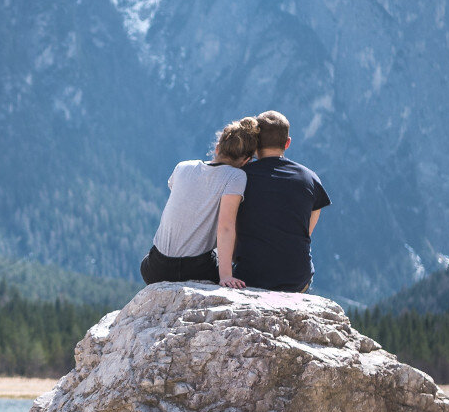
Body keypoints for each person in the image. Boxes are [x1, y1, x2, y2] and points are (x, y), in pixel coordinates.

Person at [140, 117, 259, 288]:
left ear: (217, 148)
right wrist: (226, 275)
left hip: (155, 268)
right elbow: (225, 226)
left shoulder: (182, 167)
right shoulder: (236, 177)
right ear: (246, 161)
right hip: (196, 269)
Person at [232, 110, 330, 292]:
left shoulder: (239, 177)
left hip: (250, 277)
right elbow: (305, 232)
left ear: (255, 143)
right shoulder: (310, 179)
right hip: (297, 280)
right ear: (287, 143)